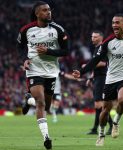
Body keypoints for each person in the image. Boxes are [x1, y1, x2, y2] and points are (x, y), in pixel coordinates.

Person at [72, 14, 123, 146]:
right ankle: (101, 134)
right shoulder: (108, 42)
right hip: (111, 78)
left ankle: (116, 123)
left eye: (117, 22)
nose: (114, 25)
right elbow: (95, 60)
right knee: (105, 110)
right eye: (113, 22)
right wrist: (81, 71)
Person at [17, 1, 69, 150]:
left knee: (45, 105)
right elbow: (20, 47)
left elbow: (66, 51)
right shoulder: (26, 30)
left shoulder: (58, 30)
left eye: (49, 10)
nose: (49, 12)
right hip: (34, 69)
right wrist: (24, 59)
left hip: (52, 71)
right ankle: (46, 137)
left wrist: (49, 52)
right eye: (45, 10)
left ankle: (28, 100)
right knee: (40, 102)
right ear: (37, 14)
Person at [86, 31, 113, 135]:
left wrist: (87, 66)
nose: (93, 38)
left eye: (95, 37)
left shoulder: (103, 48)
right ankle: (95, 128)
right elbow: (96, 65)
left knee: (100, 105)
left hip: (102, 78)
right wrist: (90, 77)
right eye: (92, 36)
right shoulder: (96, 49)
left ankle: (111, 125)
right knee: (98, 105)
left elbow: (103, 63)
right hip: (97, 78)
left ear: (101, 38)